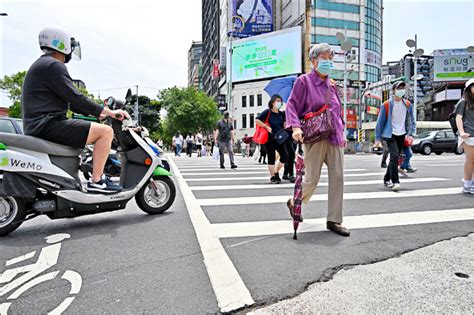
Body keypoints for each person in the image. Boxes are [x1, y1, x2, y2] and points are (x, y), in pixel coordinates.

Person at [21, 27, 128, 194]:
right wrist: (109, 112)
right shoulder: (53, 66)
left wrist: (99, 112)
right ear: (61, 44)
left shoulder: (43, 64)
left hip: (40, 124)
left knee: (95, 130)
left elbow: (72, 103)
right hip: (47, 125)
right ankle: (97, 181)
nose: (71, 50)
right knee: (106, 132)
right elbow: (75, 97)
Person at [285, 43, 350, 237]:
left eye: (331, 59)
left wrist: (342, 130)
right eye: (324, 58)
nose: (328, 62)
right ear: (313, 61)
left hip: (335, 136)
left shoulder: (332, 84)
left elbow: (337, 111)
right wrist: (295, 127)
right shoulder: (304, 81)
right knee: (312, 179)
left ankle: (334, 220)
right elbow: (292, 105)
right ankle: (294, 201)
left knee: (338, 177)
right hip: (315, 137)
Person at [374, 81, 416, 192]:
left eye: (403, 88)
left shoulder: (407, 104)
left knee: (395, 157)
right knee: (394, 155)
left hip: (402, 134)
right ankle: (395, 182)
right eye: (399, 88)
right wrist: (377, 139)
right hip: (390, 134)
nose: (401, 90)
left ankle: (386, 178)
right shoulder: (387, 104)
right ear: (394, 90)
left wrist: (411, 133)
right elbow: (380, 122)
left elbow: (411, 120)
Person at [256, 95, 295, 184]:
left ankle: (276, 171)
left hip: (280, 138)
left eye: (280, 101)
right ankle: (273, 177)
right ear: (272, 102)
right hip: (269, 138)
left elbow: (284, 125)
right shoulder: (267, 112)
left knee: (285, 156)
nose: (279, 103)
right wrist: (266, 126)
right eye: (277, 101)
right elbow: (257, 120)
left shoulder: (282, 114)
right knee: (271, 157)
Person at [455, 78, 474, 194]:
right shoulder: (463, 102)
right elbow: (458, 118)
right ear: (469, 88)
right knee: (470, 159)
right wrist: (462, 132)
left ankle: (471, 183)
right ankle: (467, 184)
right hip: (467, 135)